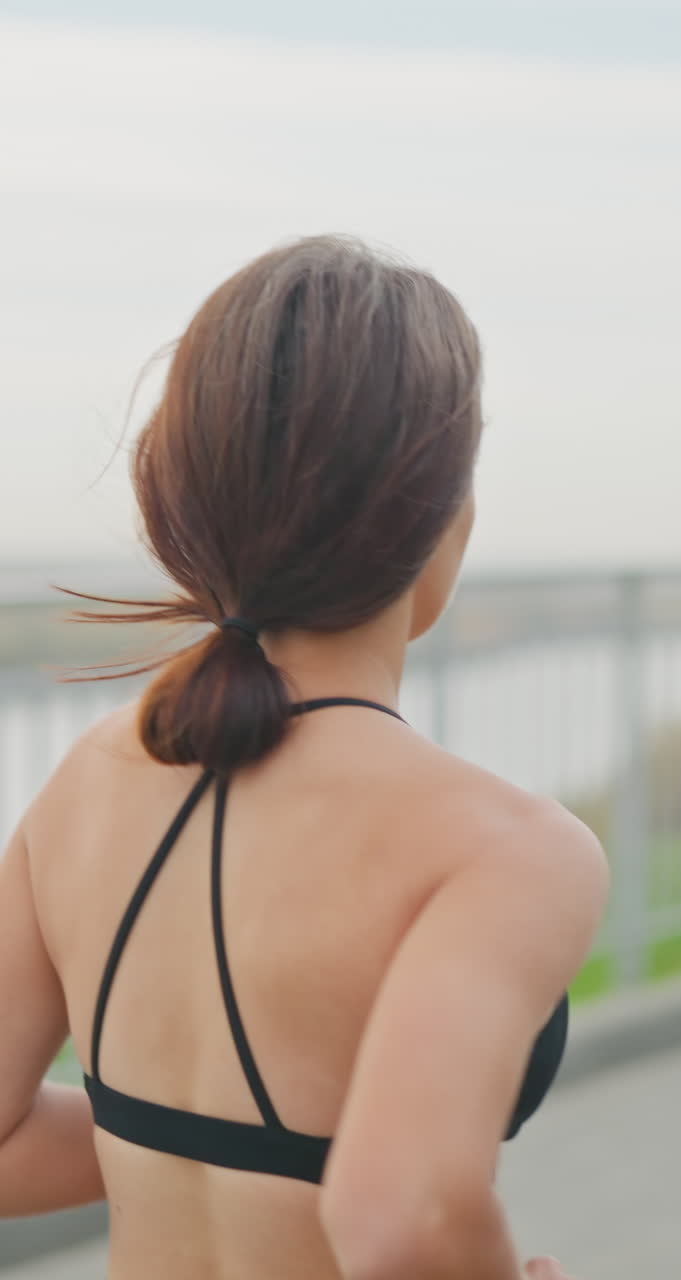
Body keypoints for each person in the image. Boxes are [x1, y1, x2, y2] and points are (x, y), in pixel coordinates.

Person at [0, 236, 607, 1279]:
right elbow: (403, 1213)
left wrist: (178, 1138)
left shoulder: (85, 786)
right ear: (444, 523)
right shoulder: (508, 848)